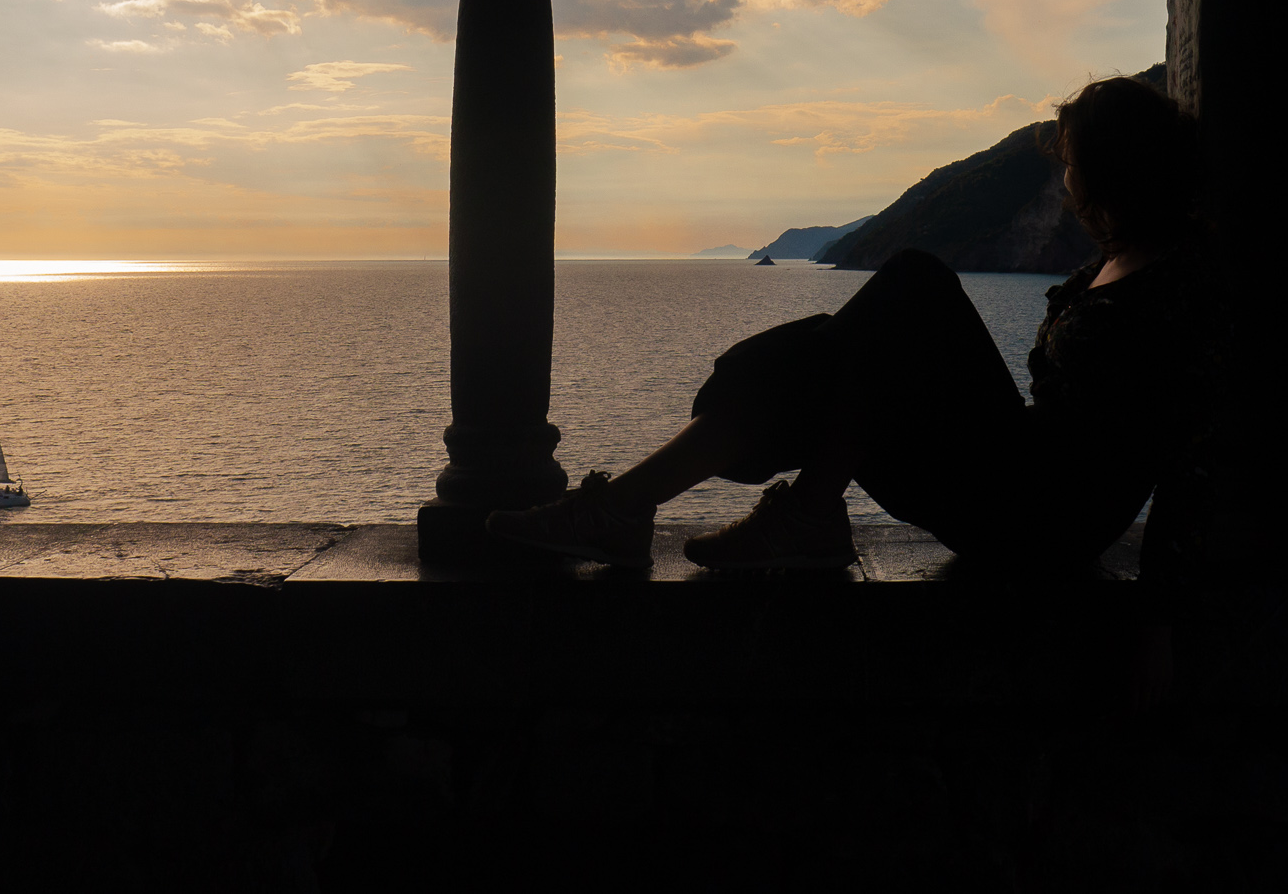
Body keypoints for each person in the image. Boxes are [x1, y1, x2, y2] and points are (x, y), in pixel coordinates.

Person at [487, 75, 1226, 646]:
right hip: (1017, 487)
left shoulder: (1176, 286)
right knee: (835, 352)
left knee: (907, 288)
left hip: (1042, 522)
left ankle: (639, 509)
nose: (1063, 182)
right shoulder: (1121, 263)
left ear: (1107, 171)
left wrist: (1162, 623)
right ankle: (663, 508)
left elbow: (1198, 459)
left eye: (1070, 164)